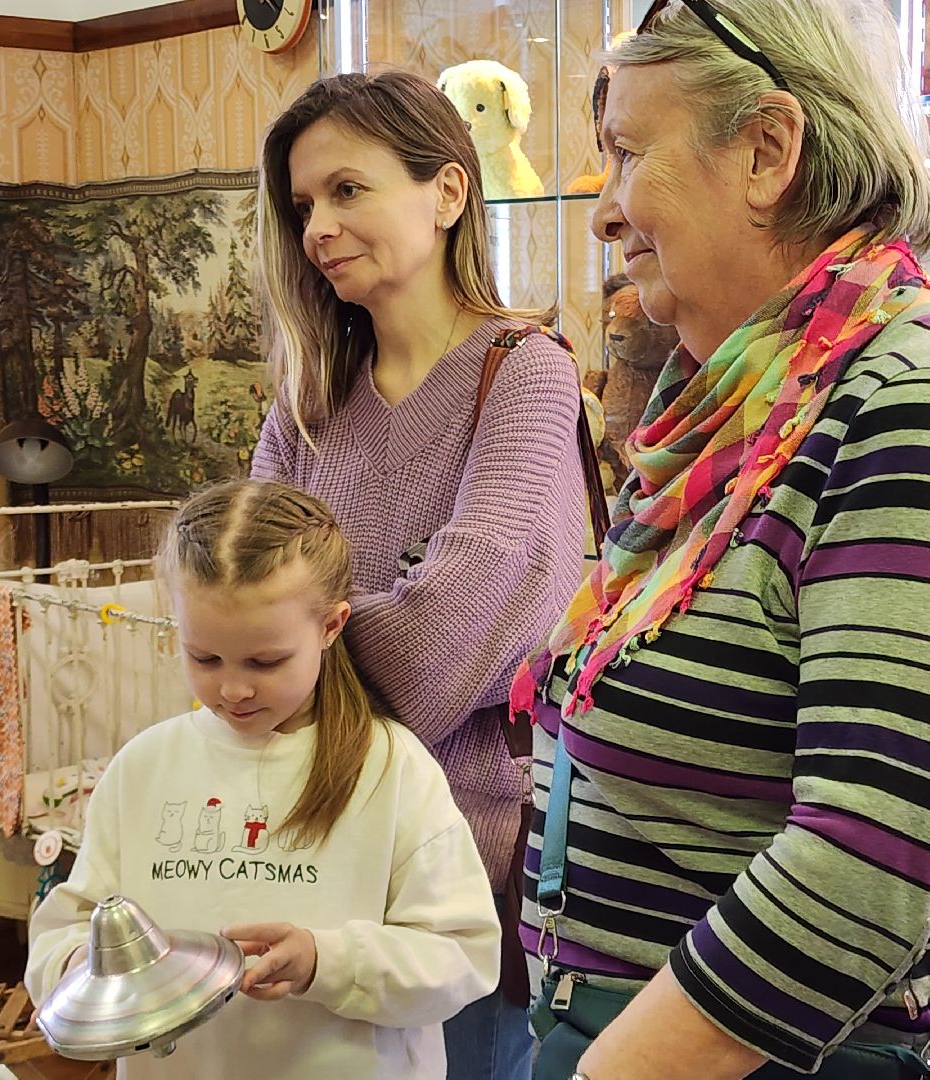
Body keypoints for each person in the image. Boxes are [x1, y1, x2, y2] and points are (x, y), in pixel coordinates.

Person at [509, 2, 930, 1077]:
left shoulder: (915, 404)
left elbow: (864, 866)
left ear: (768, 149)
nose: (602, 212)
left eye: (629, 152)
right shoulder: (752, 398)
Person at [250, 70, 589, 1080]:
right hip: (308, 866)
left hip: (465, 882)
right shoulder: (308, 395)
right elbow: (235, 608)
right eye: (304, 203)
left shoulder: (525, 371)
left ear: (446, 194)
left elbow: (448, 641)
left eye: (348, 190)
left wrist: (298, 642)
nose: (317, 225)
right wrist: (312, 629)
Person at [25, 480, 499, 1079]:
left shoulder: (391, 767)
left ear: (331, 626)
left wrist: (325, 961)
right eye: (204, 658)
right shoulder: (143, 768)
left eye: (265, 661)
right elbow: (68, 930)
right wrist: (81, 973)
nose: (234, 689)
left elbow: (463, 957)